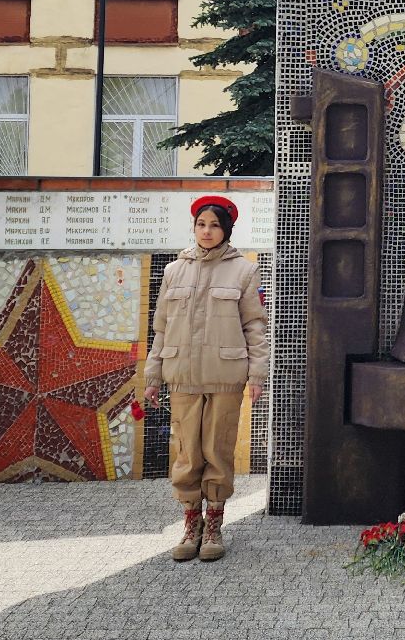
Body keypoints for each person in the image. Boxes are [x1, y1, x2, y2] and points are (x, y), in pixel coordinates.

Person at [142, 195, 269, 562]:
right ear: (194, 228)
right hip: (182, 374)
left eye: (214, 225)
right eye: (201, 224)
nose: (207, 231)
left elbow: (255, 326)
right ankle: (190, 525)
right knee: (186, 454)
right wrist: (153, 374)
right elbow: (162, 329)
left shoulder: (243, 271)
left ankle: (213, 527)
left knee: (217, 450)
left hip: (225, 376)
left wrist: (257, 373)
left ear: (226, 230)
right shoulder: (173, 271)